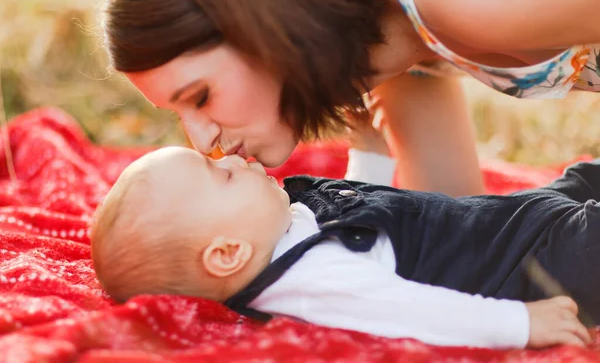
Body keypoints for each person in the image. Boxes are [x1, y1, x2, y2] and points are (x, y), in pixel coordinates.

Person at [100, 0, 599, 196]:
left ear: (262, 26)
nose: (204, 142)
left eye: (201, 97)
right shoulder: (401, 49)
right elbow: (463, 221)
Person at [91, 145, 600, 350]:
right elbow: (407, 309)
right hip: (527, 264)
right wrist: (519, 324)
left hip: (518, 218)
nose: (237, 161)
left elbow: (364, 213)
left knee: (583, 177)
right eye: (223, 176)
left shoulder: (282, 227)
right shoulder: (307, 280)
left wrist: (369, 151)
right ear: (228, 253)